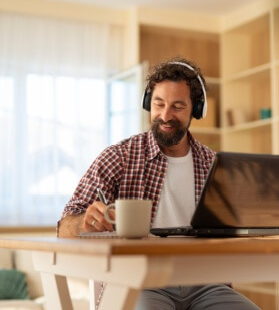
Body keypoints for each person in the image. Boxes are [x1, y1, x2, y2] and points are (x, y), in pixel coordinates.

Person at [58, 57, 260, 310]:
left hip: (206, 283)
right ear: (148, 103)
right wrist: (83, 223)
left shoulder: (213, 164)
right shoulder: (119, 157)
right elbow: (64, 226)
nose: (165, 115)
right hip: (140, 281)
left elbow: (231, 232)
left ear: (196, 110)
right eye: (159, 103)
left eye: (177, 106)